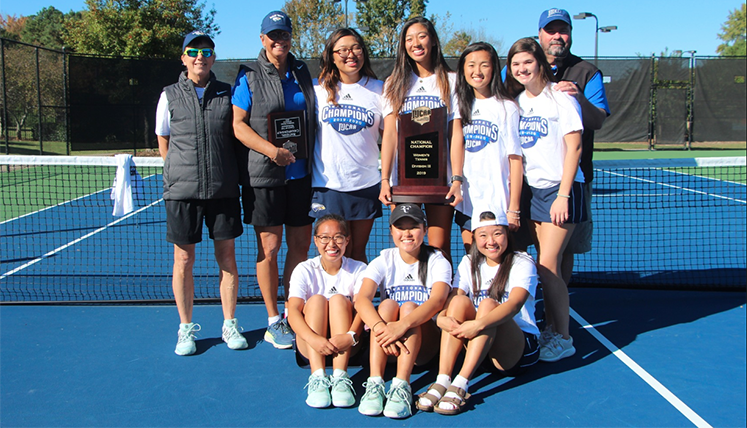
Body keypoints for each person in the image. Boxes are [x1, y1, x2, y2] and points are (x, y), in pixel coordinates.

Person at [155, 31, 247, 356]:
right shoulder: (168, 96)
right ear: (183, 58)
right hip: (182, 193)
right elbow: (163, 140)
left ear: (213, 57)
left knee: (227, 259)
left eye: (206, 51)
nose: (199, 56)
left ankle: (230, 323)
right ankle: (185, 329)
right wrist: (177, 173)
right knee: (183, 259)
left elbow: (237, 132)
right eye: (193, 51)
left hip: (222, 189)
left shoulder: (227, 92)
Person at [232, 11, 316, 350]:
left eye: (283, 34)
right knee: (269, 248)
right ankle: (272, 320)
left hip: (302, 175)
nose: (278, 40)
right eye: (272, 35)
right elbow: (238, 125)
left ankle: (292, 312)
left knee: (299, 247)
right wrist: (272, 151)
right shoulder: (248, 75)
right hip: (264, 177)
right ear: (263, 39)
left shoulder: (302, 72)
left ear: (291, 37)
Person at [504, 37, 586, 363]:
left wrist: (563, 194)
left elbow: (575, 148)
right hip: (536, 192)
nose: (522, 69)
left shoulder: (561, 98)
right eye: (516, 64)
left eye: (527, 62)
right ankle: (553, 327)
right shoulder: (518, 103)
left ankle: (563, 338)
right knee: (545, 264)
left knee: (548, 265)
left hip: (562, 190)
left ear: (540, 62)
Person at [417, 209, 539, 415]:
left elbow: (514, 305)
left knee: (488, 305)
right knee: (458, 302)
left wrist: (479, 324)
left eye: (497, 233)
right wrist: (442, 319)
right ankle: (442, 380)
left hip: (515, 350)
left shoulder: (522, 261)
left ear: (507, 234)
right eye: (483, 235)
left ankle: (461, 384)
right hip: (478, 348)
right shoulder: (469, 263)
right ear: (474, 238)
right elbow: (451, 299)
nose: (491, 241)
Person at [355, 203, 452, 419]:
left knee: (408, 307)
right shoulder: (383, 260)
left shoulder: (437, 260)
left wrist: (401, 326)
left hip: (425, 348)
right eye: (400, 227)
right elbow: (361, 299)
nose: (407, 233)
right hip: (388, 344)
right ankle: (375, 383)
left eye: (413, 227)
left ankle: (402, 386)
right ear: (391, 232)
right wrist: (381, 327)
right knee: (387, 305)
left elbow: (437, 301)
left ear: (425, 230)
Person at [536, 8, 610, 286]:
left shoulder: (588, 72)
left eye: (562, 30)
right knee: (517, 247)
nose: (557, 36)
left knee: (563, 250)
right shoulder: (520, 66)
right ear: (540, 34)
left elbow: (598, 121)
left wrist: (578, 97)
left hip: (573, 181)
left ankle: (557, 312)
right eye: (551, 30)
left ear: (570, 34)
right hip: (527, 179)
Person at [378, 16, 462, 257]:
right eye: (409, 38)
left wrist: (456, 179)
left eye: (422, 36)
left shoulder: (452, 81)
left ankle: (441, 295)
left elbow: (455, 133)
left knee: (439, 247)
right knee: (407, 246)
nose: (416, 43)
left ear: (433, 40)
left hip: (440, 182)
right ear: (404, 46)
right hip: (404, 183)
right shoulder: (394, 83)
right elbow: (391, 135)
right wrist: (385, 179)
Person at [310, 28, 383, 263]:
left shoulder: (381, 89)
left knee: (357, 252)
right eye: (341, 50)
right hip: (327, 185)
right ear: (331, 56)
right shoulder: (316, 90)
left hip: (366, 183)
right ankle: (329, 300)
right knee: (331, 255)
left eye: (355, 48)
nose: (349, 54)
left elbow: (391, 135)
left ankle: (357, 300)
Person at [287, 214, 366, 409]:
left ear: (347, 240)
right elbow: (294, 311)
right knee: (316, 301)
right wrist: (314, 339)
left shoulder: (359, 269)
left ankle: (340, 378)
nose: (332, 244)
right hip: (311, 346)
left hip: (349, 346)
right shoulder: (303, 269)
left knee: (338, 299)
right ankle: (318, 378)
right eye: (325, 237)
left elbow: (364, 309)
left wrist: (350, 336)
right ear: (316, 240)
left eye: (338, 237)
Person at [451, 42, 523, 251]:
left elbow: (515, 160)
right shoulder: (460, 105)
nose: (477, 71)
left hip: (499, 203)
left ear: (494, 68)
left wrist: (514, 209)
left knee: (499, 264)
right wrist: (456, 182)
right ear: (463, 70)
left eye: (484, 65)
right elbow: (456, 143)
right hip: (469, 203)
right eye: (471, 65)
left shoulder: (507, 107)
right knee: (472, 259)